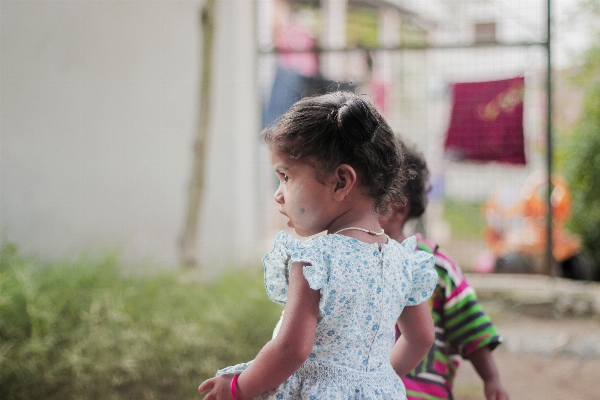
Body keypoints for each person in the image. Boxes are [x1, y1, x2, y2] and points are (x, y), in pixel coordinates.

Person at [198, 91, 438, 399]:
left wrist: (238, 387)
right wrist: (373, 382)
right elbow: (421, 338)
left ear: (341, 181)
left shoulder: (317, 262)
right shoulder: (403, 261)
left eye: (286, 176)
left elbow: (291, 348)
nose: (278, 194)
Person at [378, 141, 509, 400]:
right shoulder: (352, 261)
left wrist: (492, 379)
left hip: (422, 394)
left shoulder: (436, 266)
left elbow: (470, 326)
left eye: (369, 192)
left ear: (398, 208)